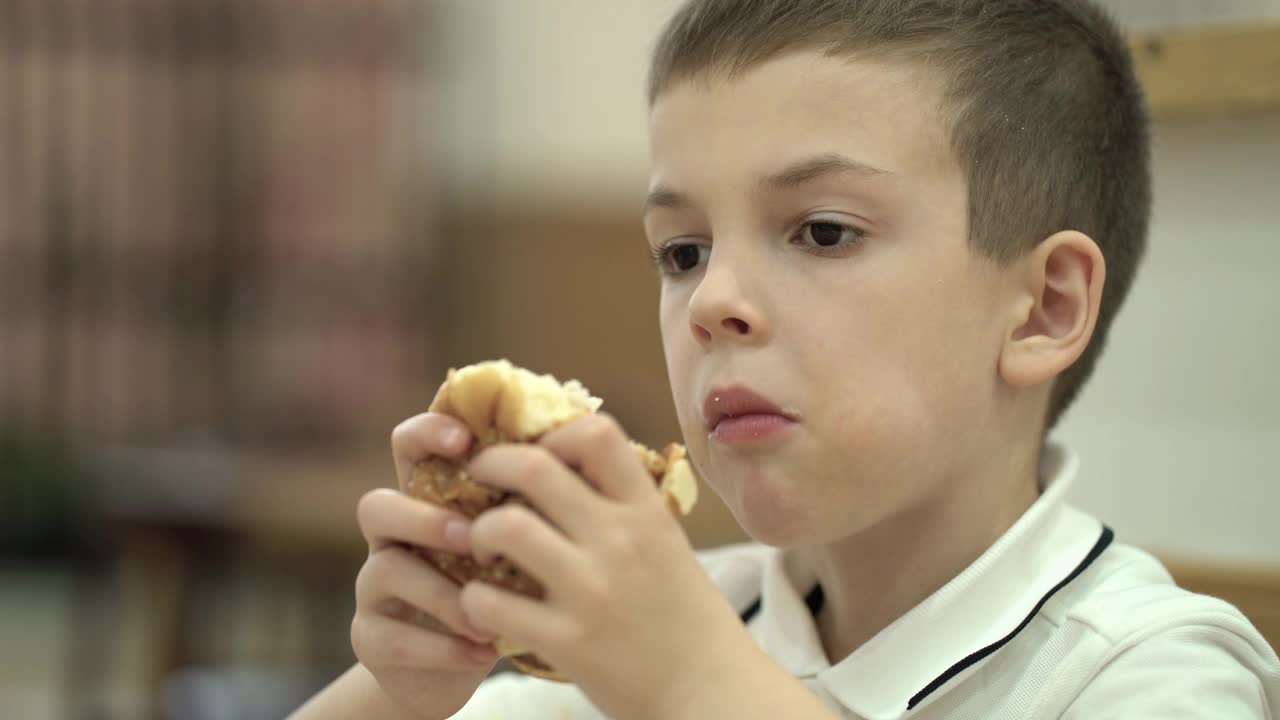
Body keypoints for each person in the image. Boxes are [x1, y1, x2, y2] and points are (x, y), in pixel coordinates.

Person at [290, 0, 1280, 718]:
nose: (711, 301)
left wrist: (687, 685)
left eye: (820, 232)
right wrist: (397, 693)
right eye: (682, 252)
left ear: (1041, 308)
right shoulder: (654, 627)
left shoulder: (1150, 672)